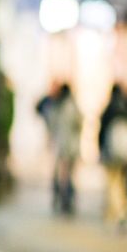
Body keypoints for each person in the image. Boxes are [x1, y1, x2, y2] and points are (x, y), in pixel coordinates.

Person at [99, 83, 127, 225]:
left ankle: (115, 212)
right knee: (122, 182)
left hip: (111, 153)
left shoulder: (109, 109)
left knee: (113, 183)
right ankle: (122, 210)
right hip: (126, 154)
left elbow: (101, 132)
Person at [38, 82, 82, 215]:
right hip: (70, 147)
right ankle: (66, 201)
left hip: (63, 147)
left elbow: (45, 115)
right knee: (67, 176)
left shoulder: (57, 107)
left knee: (62, 176)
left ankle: (63, 200)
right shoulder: (71, 106)